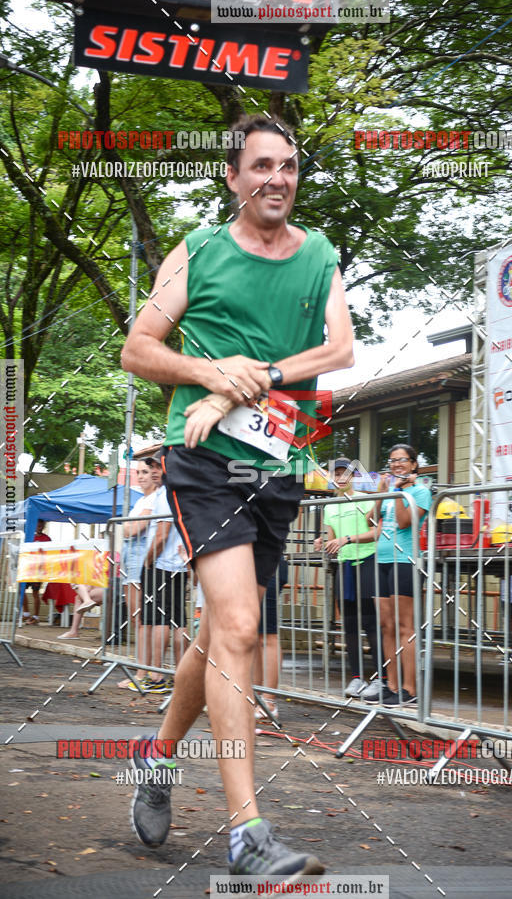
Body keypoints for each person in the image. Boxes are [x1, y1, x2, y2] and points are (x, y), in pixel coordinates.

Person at [121, 113, 353, 878]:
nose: (276, 178)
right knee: (242, 625)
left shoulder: (318, 254)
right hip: (205, 464)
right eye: (260, 166)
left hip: (278, 464)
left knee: (224, 636)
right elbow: (139, 350)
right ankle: (247, 833)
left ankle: (155, 759)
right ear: (232, 176)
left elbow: (340, 348)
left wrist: (251, 380)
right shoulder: (198, 252)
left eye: (287, 165)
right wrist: (210, 377)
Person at [363, 444, 431, 706]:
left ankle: (410, 689)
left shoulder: (420, 492)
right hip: (382, 558)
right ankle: (391, 685)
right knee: (386, 626)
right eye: (392, 461)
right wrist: (382, 493)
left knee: (405, 627)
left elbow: (403, 521)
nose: (396, 465)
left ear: (414, 464)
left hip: (405, 560)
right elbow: (371, 520)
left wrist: (400, 491)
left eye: (402, 460)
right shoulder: (393, 490)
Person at [315, 458, 380, 698]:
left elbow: (376, 532)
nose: (341, 478)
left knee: (371, 623)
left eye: (345, 474)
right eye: (337, 474)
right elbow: (331, 537)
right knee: (349, 623)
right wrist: (322, 541)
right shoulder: (330, 506)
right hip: (345, 566)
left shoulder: (365, 498)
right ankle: (356, 678)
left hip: (368, 562)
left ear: (353, 476)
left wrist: (348, 539)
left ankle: (381, 679)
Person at [132, 450, 188, 694]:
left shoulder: (166, 494)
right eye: (150, 467)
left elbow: (162, 535)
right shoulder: (180, 492)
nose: (154, 471)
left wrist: (147, 562)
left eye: (157, 466)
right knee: (177, 622)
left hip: (162, 565)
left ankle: (156, 676)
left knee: (158, 621)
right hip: (178, 564)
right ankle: (179, 675)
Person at [118, 457, 159, 688]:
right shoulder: (141, 500)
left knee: (141, 619)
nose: (141, 476)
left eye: (145, 471)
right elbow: (127, 528)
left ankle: (143, 672)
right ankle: (143, 670)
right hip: (131, 561)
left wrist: (126, 527)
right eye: (139, 472)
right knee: (138, 619)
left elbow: (133, 528)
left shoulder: (154, 499)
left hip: (140, 561)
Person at [254, 556, 288, 721]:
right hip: (256, 567)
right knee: (257, 638)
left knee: (267, 636)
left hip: (267, 567)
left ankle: (269, 701)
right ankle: (258, 697)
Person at [23, 520, 51, 624]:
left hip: (39, 570)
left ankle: (35, 616)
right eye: (37, 525)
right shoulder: (28, 537)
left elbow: (50, 554)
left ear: (44, 526)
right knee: (21, 591)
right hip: (27, 569)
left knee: (35, 593)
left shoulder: (47, 539)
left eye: (41, 525)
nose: (39, 527)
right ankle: (26, 614)